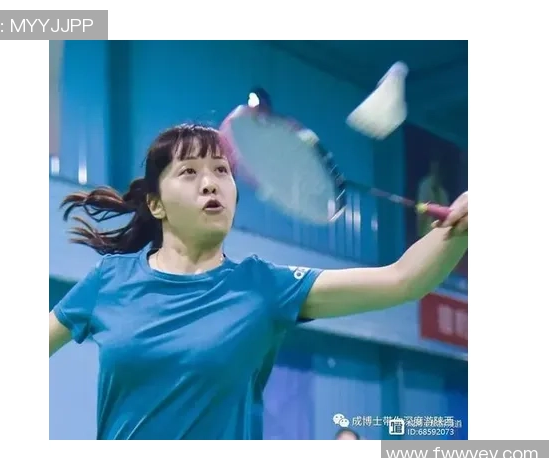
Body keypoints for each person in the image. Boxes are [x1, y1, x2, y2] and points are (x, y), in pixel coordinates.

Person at [49, 123, 468, 440]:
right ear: (156, 205)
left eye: (221, 170)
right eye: (189, 171)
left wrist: (461, 229)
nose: (210, 183)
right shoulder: (110, 280)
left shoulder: (263, 287)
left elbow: (402, 280)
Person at [416, 157, 450, 238]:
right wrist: (420, 234)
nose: (436, 172)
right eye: (434, 169)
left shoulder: (443, 193)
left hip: (440, 235)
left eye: (438, 170)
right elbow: (421, 212)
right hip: (425, 234)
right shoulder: (425, 186)